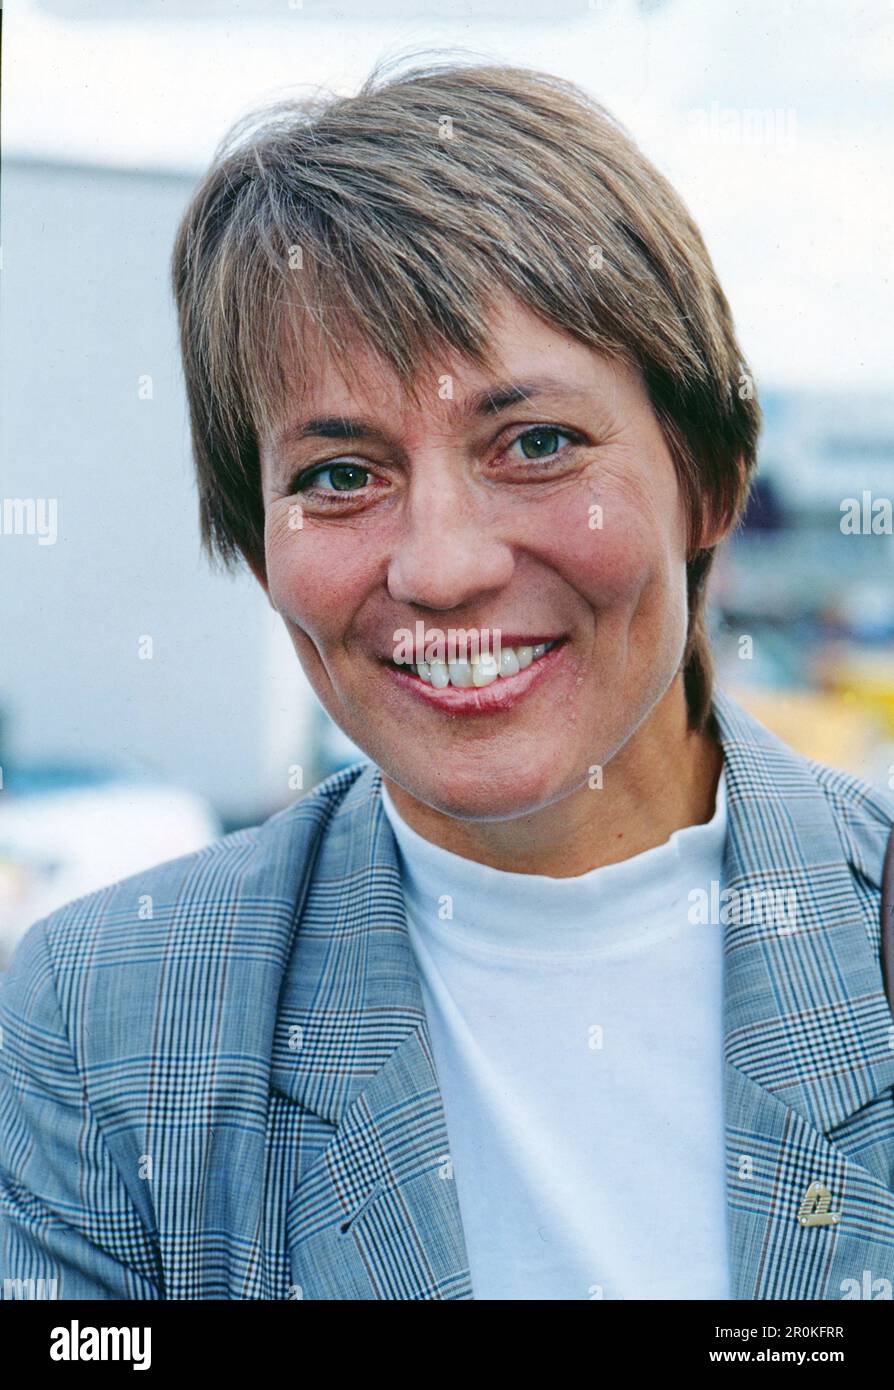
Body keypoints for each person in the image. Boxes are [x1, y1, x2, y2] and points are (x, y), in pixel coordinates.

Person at [2, 59, 894, 1302]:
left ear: (713, 478)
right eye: (339, 475)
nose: (442, 567)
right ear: (259, 548)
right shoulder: (100, 1025)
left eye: (536, 444)